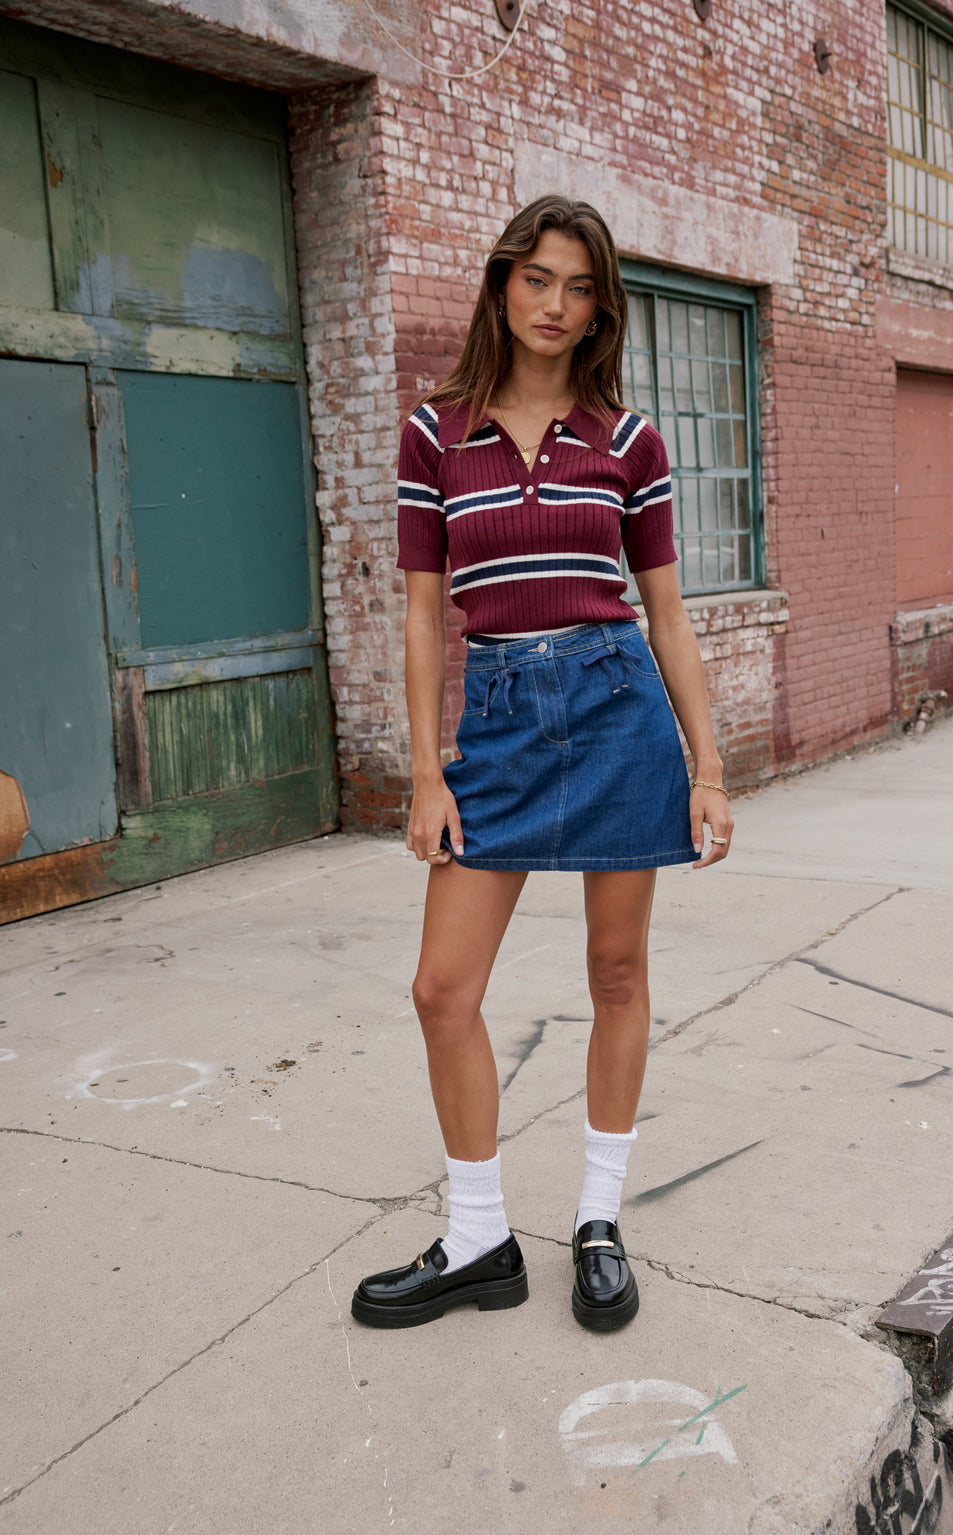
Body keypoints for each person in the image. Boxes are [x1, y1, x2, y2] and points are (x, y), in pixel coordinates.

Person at [351, 195, 733, 1332]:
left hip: (620, 709)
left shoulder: (630, 443)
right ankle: (479, 1236)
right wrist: (427, 770)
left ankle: (599, 1221)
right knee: (441, 987)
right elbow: (426, 619)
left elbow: (666, 615)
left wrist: (706, 765)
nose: (555, 305)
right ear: (500, 282)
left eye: (578, 287)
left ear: (598, 304)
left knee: (616, 974)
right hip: (503, 721)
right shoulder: (436, 432)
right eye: (537, 280)